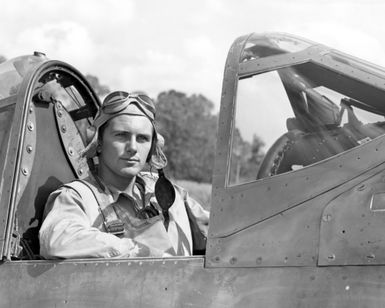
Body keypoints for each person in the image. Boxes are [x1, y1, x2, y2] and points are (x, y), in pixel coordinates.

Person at [39, 91, 209, 259]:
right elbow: (56, 239)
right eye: (121, 136)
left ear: (151, 147)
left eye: (142, 138)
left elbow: (220, 233)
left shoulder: (170, 194)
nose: (133, 147)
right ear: (98, 143)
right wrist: (139, 252)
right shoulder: (76, 197)